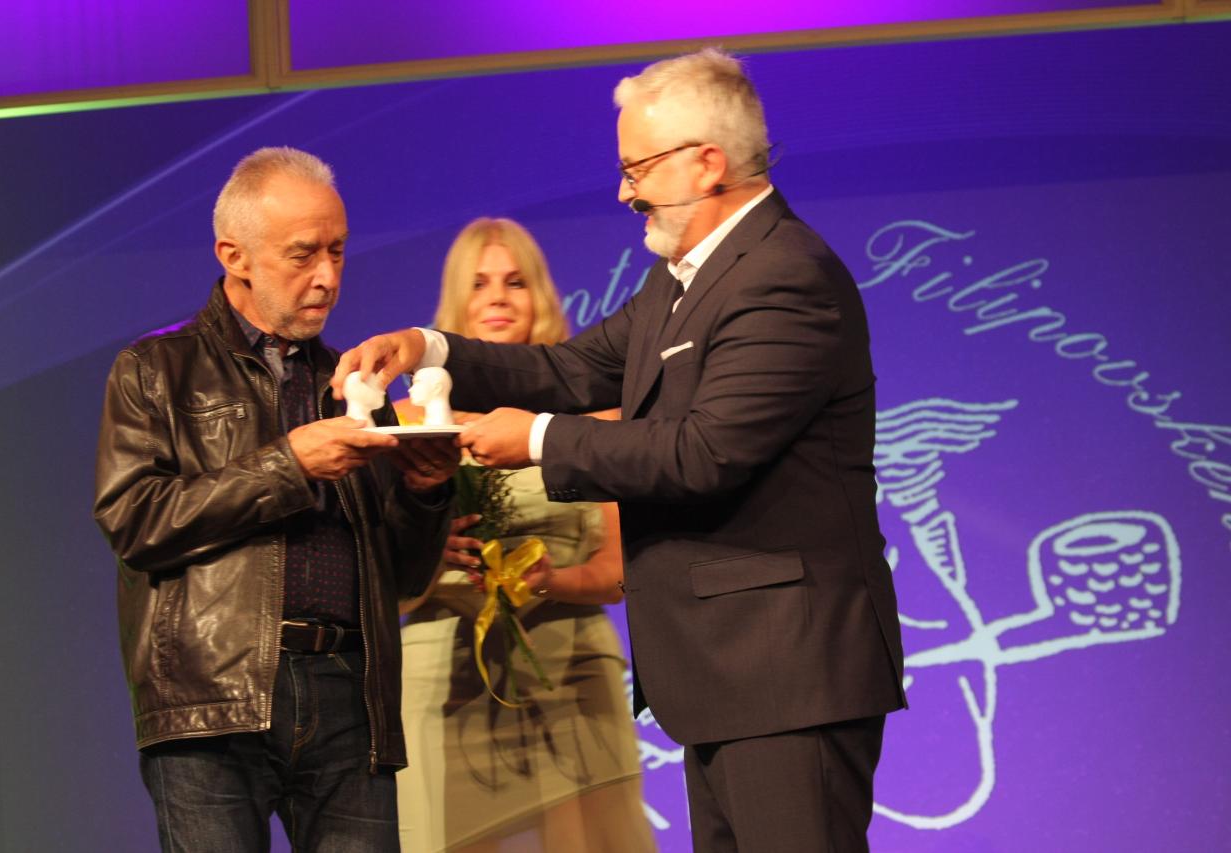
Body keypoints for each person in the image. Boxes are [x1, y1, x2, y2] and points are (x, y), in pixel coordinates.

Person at [334, 49, 907, 853]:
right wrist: (428, 348)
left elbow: (706, 451)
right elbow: (568, 369)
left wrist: (535, 439)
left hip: (786, 672)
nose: (624, 191)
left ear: (707, 163)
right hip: (728, 676)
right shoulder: (683, 280)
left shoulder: (784, 275)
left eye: (638, 169)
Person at [92, 146, 458, 852]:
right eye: (303, 254)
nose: (328, 276)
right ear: (234, 256)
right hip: (212, 699)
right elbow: (134, 521)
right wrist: (288, 465)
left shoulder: (352, 385)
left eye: (338, 251)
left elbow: (405, 579)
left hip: (351, 695)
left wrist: (425, 489)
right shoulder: (155, 369)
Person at [394, 217, 655, 852]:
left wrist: (550, 580)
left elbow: (620, 571)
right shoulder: (403, 423)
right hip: (442, 677)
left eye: (516, 282)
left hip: (572, 673)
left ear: (540, 295)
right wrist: (425, 550)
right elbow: (374, 581)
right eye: (479, 283)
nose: (499, 298)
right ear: (455, 302)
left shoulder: (594, 417)